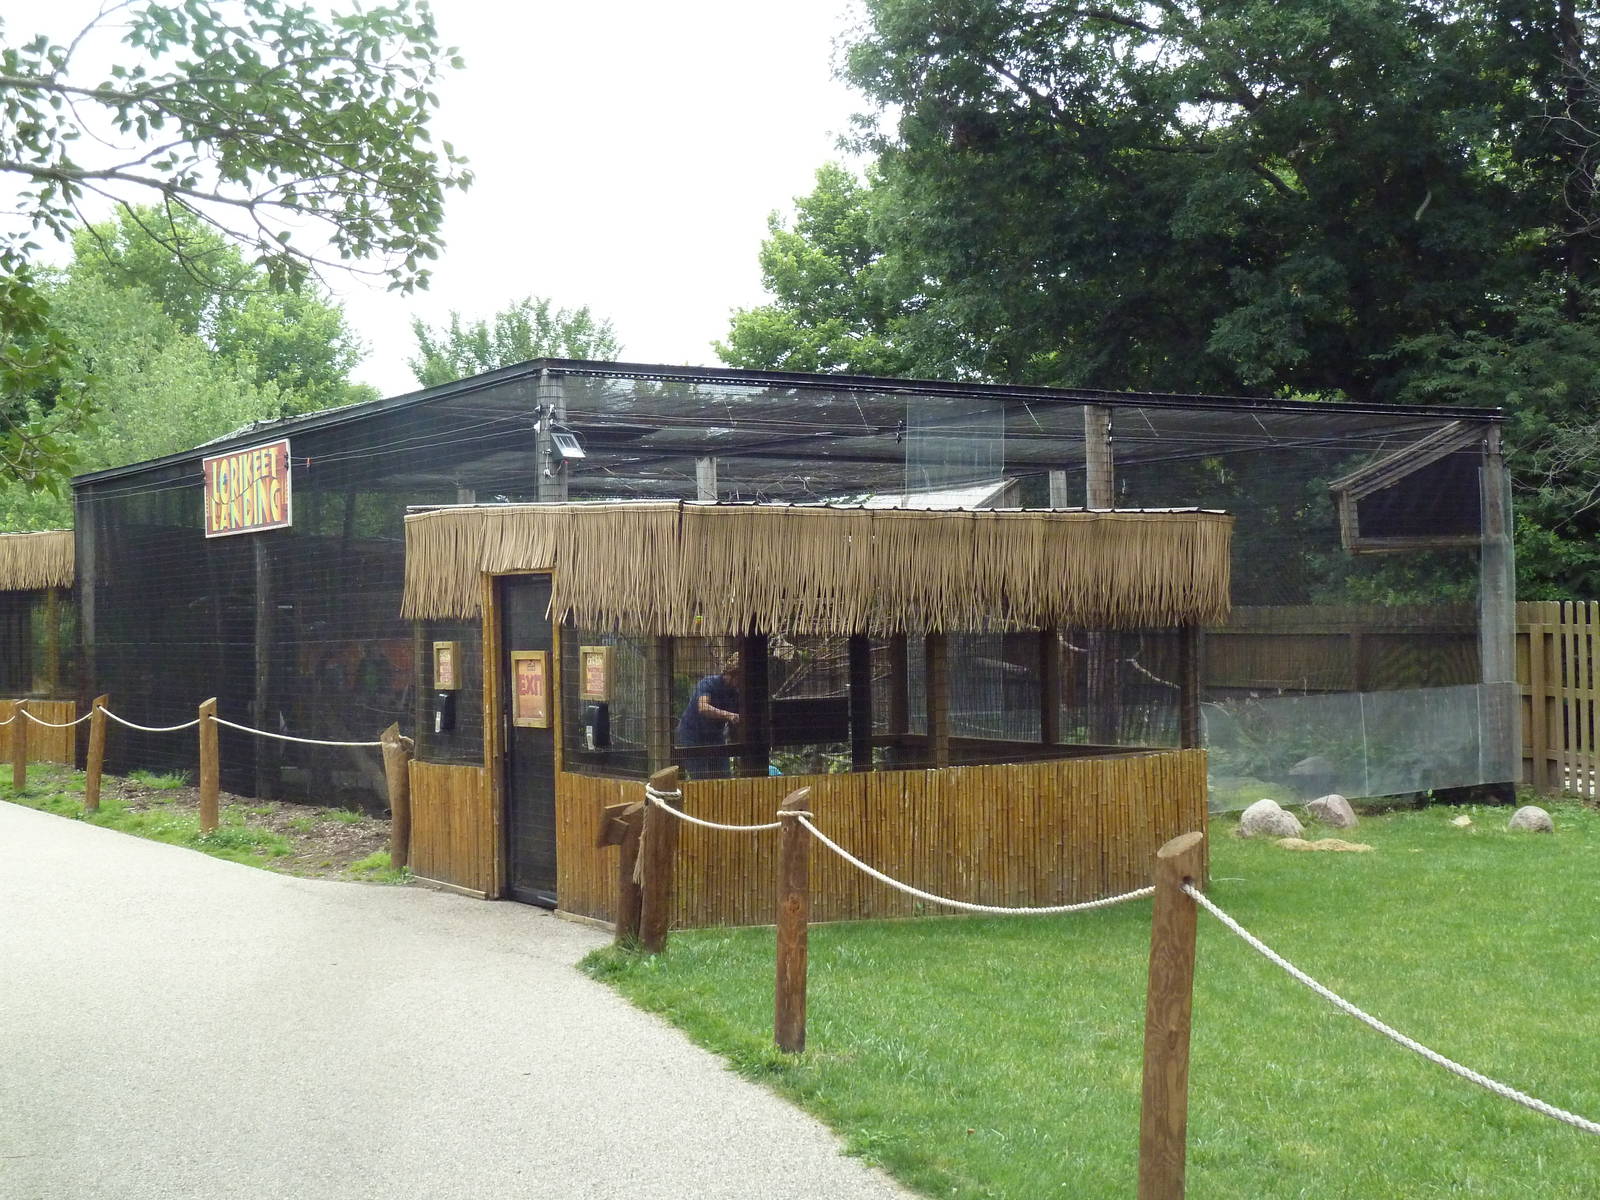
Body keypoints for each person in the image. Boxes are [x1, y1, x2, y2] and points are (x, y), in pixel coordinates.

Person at [676, 655, 741, 773]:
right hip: (692, 734)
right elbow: (703, 708)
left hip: (715, 736)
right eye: (740, 678)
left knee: (723, 775)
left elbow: (735, 724)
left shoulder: (735, 693)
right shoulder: (708, 683)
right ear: (732, 674)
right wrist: (729, 715)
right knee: (700, 776)